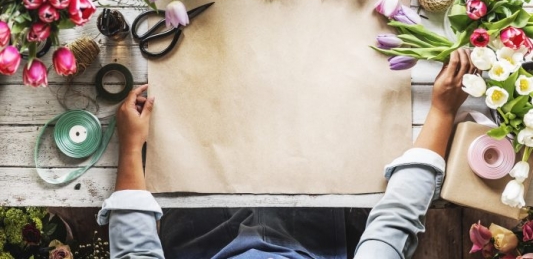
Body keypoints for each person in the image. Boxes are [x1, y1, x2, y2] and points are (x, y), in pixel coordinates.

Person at [97, 49, 475, 259]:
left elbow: (134, 252)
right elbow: (395, 221)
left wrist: (131, 147)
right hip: (318, 233)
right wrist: (441, 111)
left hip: (204, 236)